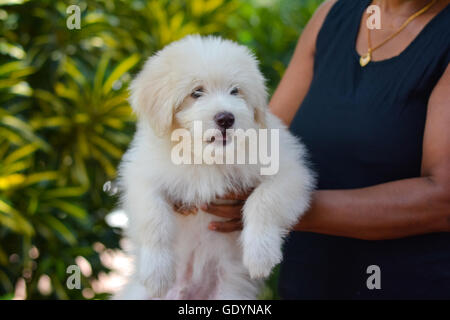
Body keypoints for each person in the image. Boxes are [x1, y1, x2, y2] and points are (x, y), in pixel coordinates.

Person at [179, 0, 450, 299]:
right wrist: (195, 176)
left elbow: (442, 200)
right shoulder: (331, 15)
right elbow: (266, 133)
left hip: (409, 285)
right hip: (308, 279)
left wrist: (277, 207)